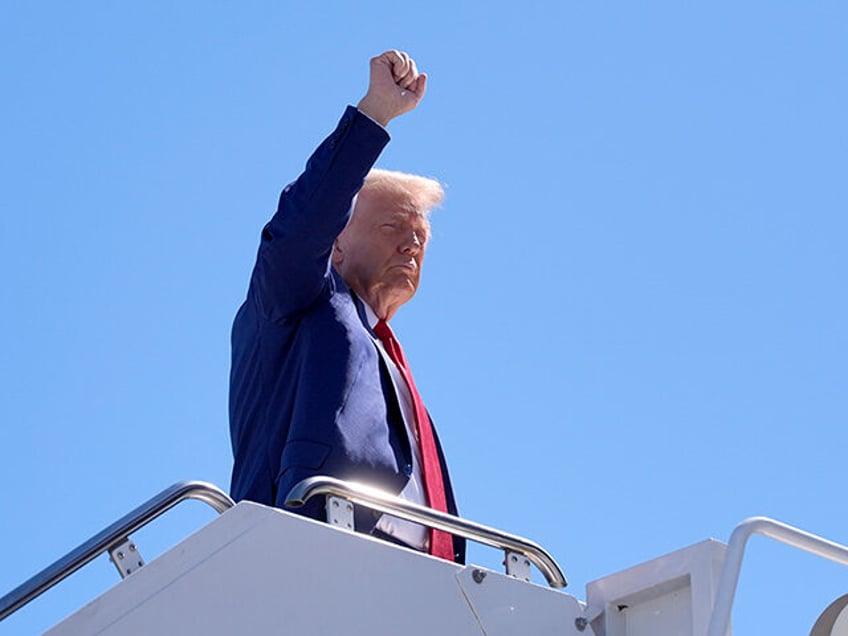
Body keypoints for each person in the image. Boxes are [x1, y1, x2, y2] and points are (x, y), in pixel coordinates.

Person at [228, 50, 464, 563]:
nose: (412, 245)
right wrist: (376, 113)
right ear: (335, 244)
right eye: (392, 227)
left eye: (421, 236)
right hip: (312, 552)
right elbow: (301, 226)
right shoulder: (299, 301)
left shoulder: (388, 359)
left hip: (415, 579)